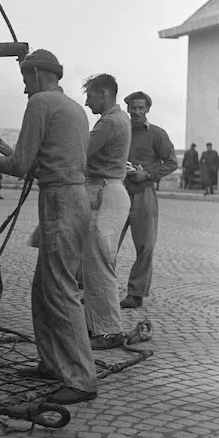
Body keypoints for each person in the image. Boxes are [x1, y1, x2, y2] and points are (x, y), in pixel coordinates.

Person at [0, 49, 97, 405]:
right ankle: (53, 364)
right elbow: (41, 157)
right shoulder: (73, 108)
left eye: (26, 78)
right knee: (44, 289)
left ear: (39, 74)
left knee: (59, 291)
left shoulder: (40, 103)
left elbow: (22, 165)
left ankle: (81, 379)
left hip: (59, 201)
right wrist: (1, 148)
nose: (25, 87)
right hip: (73, 198)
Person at [82, 74, 131, 349]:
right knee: (94, 264)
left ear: (104, 93)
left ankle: (109, 331)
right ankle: (97, 327)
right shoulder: (118, 119)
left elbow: (78, 150)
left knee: (99, 265)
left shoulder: (109, 122)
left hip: (105, 194)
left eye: (90, 96)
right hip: (108, 192)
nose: (87, 102)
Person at [118, 91, 178, 308]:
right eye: (132, 107)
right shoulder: (120, 130)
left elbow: (171, 163)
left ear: (147, 110)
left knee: (145, 247)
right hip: (116, 191)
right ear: (127, 109)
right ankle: (97, 290)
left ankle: (136, 293)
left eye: (140, 108)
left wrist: (149, 173)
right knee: (105, 242)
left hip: (143, 194)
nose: (136, 112)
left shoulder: (157, 134)